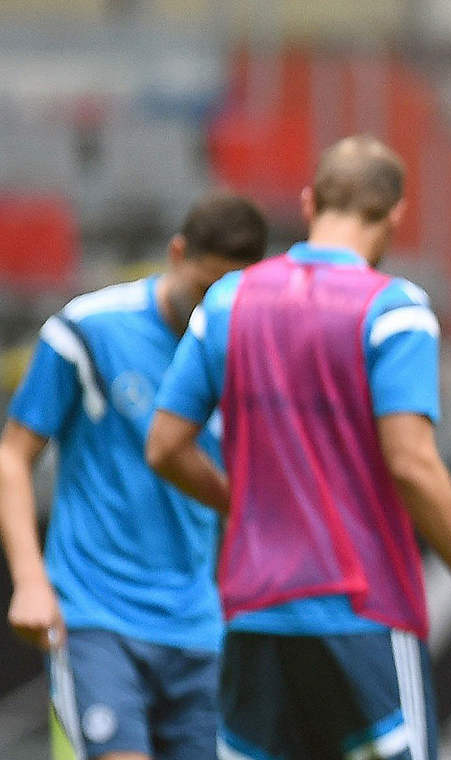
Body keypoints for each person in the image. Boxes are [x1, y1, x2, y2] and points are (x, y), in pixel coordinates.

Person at [145, 135, 451, 760]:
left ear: (308, 201)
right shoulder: (395, 312)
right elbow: (412, 464)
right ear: (396, 215)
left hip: (256, 610)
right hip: (360, 608)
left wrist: (241, 507)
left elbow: (164, 446)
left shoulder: (228, 301)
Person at [0, 192, 268, 760]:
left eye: (227, 296)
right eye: (203, 289)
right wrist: (29, 580)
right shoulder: (88, 332)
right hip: (96, 616)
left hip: (198, 626)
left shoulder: (245, 353)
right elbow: (13, 456)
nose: (208, 311)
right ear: (176, 253)